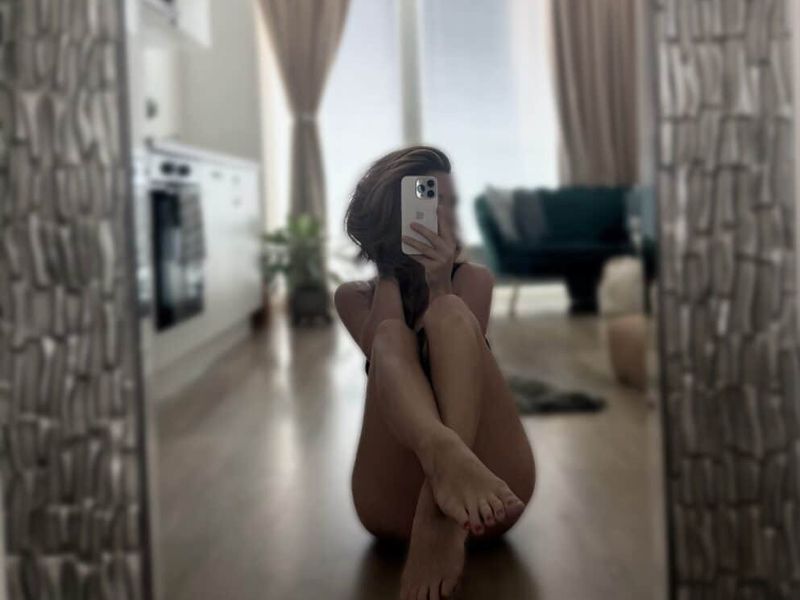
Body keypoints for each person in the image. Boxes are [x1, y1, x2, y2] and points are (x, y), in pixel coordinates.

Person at [334, 146, 536, 599]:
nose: (442, 214)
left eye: (449, 202)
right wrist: (391, 268)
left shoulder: (474, 279)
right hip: (393, 508)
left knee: (449, 312)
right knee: (389, 337)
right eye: (428, 200)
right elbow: (379, 352)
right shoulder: (353, 296)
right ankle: (441, 476)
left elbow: (460, 357)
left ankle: (439, 511)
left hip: (489, 497)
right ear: (392, 213)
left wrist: (439, 283)